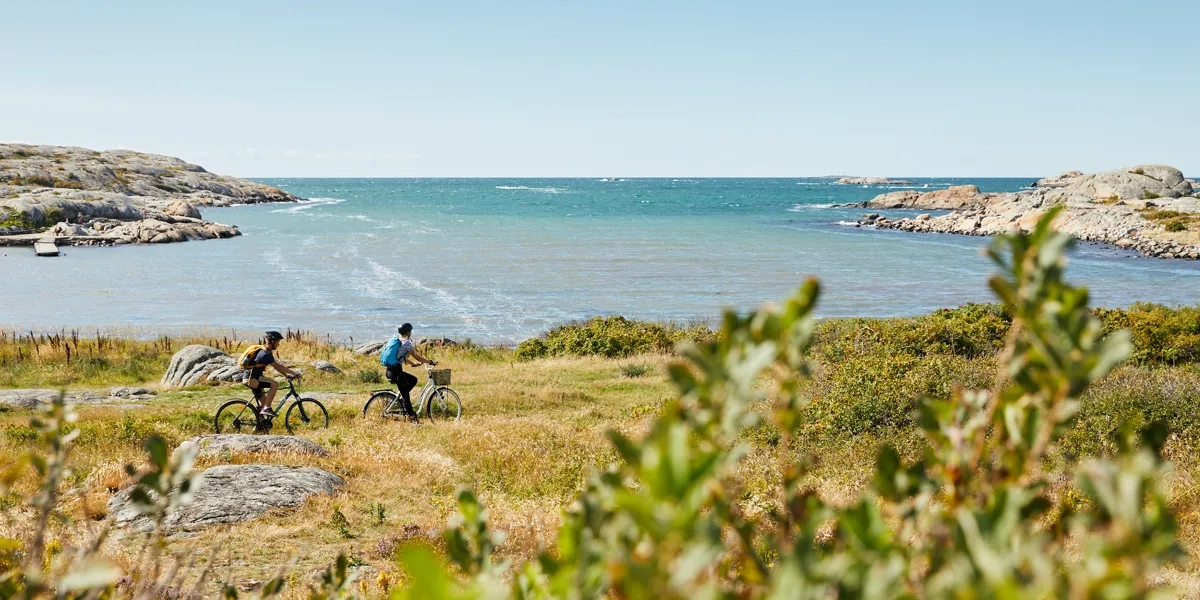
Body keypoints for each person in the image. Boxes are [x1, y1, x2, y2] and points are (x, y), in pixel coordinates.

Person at [242, 330, 301, 417]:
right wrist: (293, 373)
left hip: (253, 378)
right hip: (252, 379)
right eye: (278, 341)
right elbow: (277, 366)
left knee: (264, 401)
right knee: (275, 384)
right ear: (272, 341)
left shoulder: (267, 351)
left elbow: (277, 367)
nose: (279, 344)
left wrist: (286, 375)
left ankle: (260, 425)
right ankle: (267, 408)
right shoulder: (265, 354)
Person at [386, 323, 436, 421]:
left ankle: (400, 400)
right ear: (408, 333)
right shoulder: (407, 344)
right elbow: (417, 356)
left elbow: (401, 357)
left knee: (413, 380)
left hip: (390, 370)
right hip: (396, 372)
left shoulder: (399, 341)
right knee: (406, 396)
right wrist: (429, 361)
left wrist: (412, 364)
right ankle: (412, 418)